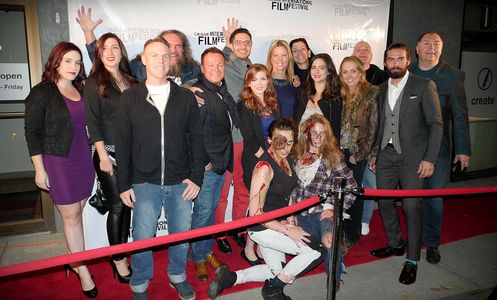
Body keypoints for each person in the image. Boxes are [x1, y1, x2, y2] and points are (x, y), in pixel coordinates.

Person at [115, 38, 204, 300]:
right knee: (143, 237)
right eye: (154, 55)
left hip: (180, 182)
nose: (160, 61)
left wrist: (196, 177)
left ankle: (177, 276)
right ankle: (140, 284)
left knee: (180, 235)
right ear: (143, 59)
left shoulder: (184, 97)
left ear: (172, 60)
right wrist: (123, 184)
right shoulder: (130, 97)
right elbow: (123, 144)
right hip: (144, 181)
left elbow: (196, 139)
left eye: (166, 56)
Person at [208, 118, 325, 300]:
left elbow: (287, 193)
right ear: (270, 140)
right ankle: (273, 290)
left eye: (290, 141)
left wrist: (291, 216)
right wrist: (288, 230)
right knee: (317, 251)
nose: (285, 147)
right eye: (280, 141)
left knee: (276, 271)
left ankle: (231, 277)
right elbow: (255, 214)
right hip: (262, 228)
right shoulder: (264, 167)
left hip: (277, 222)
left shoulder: (285, 159)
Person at [24, 42, 97, 298]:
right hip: (57, 160)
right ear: (56, 61)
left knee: (78, 211)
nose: (74, 67)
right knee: (71, 217)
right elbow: (32, 133)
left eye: (77, 62)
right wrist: (39, 169)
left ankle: (73, 257)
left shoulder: (81, 89)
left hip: (83, 159)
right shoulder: (42, 92)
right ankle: (82, 268)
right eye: (68, 61)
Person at [369, 43, 443, 285]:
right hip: (386, 155)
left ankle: (412, 260)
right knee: (385, 201)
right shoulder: (380, 89)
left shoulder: (423, 85)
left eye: (400, 59)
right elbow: (378, 125)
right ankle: (394, 242)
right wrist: (374, 153)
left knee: (412, 207)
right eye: (390, 60)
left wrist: (430, 158)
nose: (395, 63)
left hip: (413, 157)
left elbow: (436, 125)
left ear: (408, 60)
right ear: (385, 63)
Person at [410, 32, 471, 264]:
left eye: (436, 44)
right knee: (412, 200)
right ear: (417, 48)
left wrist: (463, 149)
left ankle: (433, 243)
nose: (431, 47)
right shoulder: (407, 73)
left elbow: (460, 115)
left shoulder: (453, 76)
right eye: (426, 43)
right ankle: (415, 239)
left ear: (441, 49)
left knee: (434, 198)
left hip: (439, 149)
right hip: (411, 148)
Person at [84, 32, 137, 283]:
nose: (111, 52)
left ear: (121, 51)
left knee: (127, 204)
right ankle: (117, 259)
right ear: (98, 53)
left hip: (132, 154)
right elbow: (93, 124)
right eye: (105, 48)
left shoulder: (130, 79)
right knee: (117, 206)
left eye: (115, 47)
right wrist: (103, 156)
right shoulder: (94, 81)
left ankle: (122, 250)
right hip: (110, 154)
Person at [291, 113, 357, 283]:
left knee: (329, 242)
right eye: (314, 132)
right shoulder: (297, 153)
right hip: (298, 213)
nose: (318, 137)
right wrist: (289, 215)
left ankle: (334, 281)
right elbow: (289, 186)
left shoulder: (333, 157)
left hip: (321, 212)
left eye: (322, 132)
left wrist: (335, 208)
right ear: (307, 134)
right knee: (310, 248)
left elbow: (351, 187)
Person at [190, 47, 237, 281]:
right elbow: (193, 133)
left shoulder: (221, 91)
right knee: (203, 213)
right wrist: (204, 162)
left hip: (221, 161)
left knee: (208, 212)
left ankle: (204, 251)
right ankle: (199, 258)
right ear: (201, 68)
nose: (216, 69)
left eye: (220, 65)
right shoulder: (198, 93)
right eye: (211, 65)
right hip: (208, 165)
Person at [76, 6, 200, 84]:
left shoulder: (194, 70)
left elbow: (216, 73)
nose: (173, 50)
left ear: (184, 49)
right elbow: (106, 64)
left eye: (178, 46)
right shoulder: (138, 67)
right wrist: (88, 33)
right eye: (168, 45)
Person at [214, 19, 253, 253]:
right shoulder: (225, 64)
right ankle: (219, 233)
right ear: (231, 44)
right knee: (223, 190)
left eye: (247, 42)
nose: (243, 46)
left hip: (250, 139)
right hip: (231, 139)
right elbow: (215, 62)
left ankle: (240, 229)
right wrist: (227, 45)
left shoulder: (254, 69)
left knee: (243, 188)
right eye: (238, 42)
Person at [239, 64, 281, 264]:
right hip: (255, 160)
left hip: (274, 157)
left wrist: (279, 156)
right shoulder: (245, 104)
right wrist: (267, 159)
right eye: (254, 79)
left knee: (268, 203)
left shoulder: (273, 101)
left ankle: (264, 245)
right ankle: (249, 246)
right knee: (256, 204)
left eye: (263, 78)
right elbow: (249, 138)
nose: (259, 83)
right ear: (248, 82)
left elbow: (279, 131)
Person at [338, 56, 379, 246]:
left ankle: (352, 234)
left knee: (353, 193)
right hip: (338, 152)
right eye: (345, 71)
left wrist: (360, 155)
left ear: (360, 72)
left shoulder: (371, 93)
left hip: (357, 152)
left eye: (353, 71)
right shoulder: (338, 92)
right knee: (338, 193)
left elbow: (373, 128)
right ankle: (339, 229)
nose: (349, 75)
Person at [352, 41, 388, 236]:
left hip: (373, 142)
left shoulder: (382, 78)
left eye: (366, 50)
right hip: (352, 144)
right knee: (353, 183)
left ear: (372, 54)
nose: (363, 53)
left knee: (370, 183)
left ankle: (365, 219)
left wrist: (376, 149)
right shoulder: (347, 80)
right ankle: (353, 216)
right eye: (359, 50)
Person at [294, 53, 343, 140]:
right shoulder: (302, 94)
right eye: (314, 67)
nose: (317, 71)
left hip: (324, 150)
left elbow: (336, 131)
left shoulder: (335, 99)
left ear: (328, 71)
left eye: (321, 68)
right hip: (301, 149)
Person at [266, 39, 298, 118]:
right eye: (275, 55)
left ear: (289, 58)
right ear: (270, 58)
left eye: (284, 55)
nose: (280, 59)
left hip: (289, 129)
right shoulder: (263, 81)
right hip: (269, 130)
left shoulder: (294, 83)